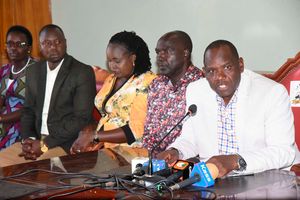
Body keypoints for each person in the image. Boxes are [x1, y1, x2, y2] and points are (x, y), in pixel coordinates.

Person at [157, 40, 295, 178]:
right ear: (204, 72)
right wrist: (176, 151)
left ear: (240, 65)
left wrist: (236, 161)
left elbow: (283, 152)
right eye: (211, 71)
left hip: (264, 179)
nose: (220, 78)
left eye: (227, 67)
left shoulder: (271, 92)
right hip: (214, 180)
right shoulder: (195, 90)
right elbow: (190, 139)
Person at [0, 24, 96, 167]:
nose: (53, 47)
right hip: (36, 140)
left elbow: (82, 118)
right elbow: (28, 111)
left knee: (39, 171)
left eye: (58, 42)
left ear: (65, 42)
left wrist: (44, 144)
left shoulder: (81, 72)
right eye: (47, 43)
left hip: (63, 143)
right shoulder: (34, 71)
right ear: (40, 46)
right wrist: (28, 139)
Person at [70, 31, 156, 153]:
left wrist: (95, 136)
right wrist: (87, 133)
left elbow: (136, 130)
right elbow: (105, 115)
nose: (111, 66)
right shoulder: (112, 79)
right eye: (109, 60)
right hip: (105, 148)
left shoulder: (147, 83)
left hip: (131, 152)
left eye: (117, 61)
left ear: (133, 58)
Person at [142, 31, 203, 155]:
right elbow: (148, 132)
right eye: (158, 52)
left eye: (167, 51)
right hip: (153, 159)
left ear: (185, 53)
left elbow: (201, 137)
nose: (160, 56)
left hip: (185, 159)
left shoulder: (201, 85)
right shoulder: (156, 84)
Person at [0, 25, 36, 150]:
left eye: (19, 44)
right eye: (9, 44)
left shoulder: (36, 70)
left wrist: (1, 118)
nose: (13, 48)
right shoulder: (4, 70)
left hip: (25, 123)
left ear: (29, 48)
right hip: (4, 119)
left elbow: (32, 107)